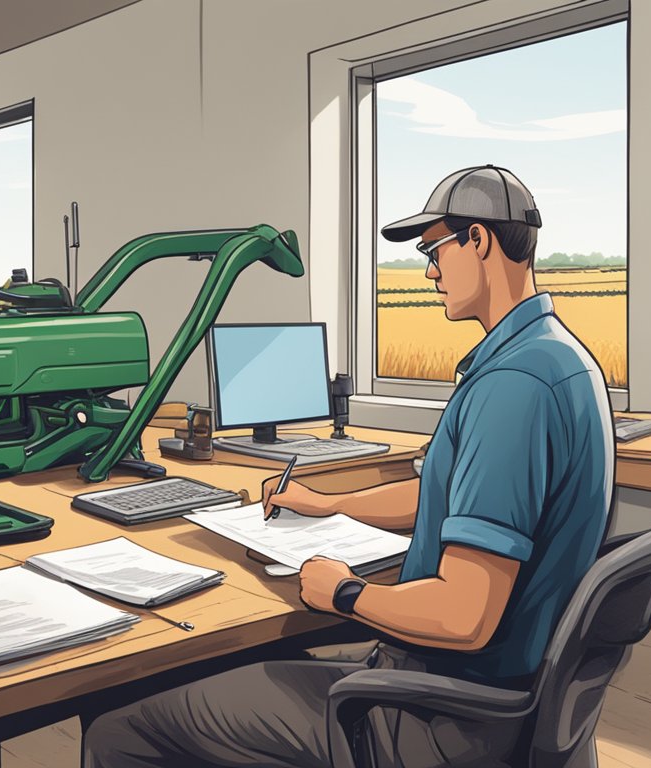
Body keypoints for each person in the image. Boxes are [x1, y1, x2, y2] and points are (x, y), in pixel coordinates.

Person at [81, 165, 615, 768]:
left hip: (439, 723)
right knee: (235, 671)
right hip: (483, 699)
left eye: (434, 249)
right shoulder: (555, 358)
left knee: (119, 724)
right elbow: (447, 499)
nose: (429, 270)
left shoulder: (514, 387)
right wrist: (333, 504)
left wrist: (345, 591)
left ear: (479, 240)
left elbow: (465, 617)